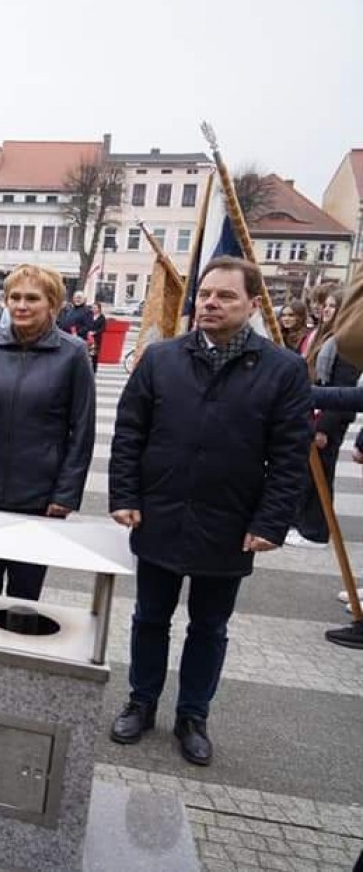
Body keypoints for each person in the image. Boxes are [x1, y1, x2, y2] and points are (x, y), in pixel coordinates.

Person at [108, 256, 310, 766]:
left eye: (225, 296)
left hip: (229, 522)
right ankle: (141, 700)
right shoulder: (161, 359)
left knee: (209, 626)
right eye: (205, 295)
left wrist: (270, 523)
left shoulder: (282, 369)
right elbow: (130, 432)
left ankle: (193, 716)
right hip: (160, 511)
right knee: (149, 616)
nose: (210, 304)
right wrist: (125, 495)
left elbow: (290, 456)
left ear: (253, 304)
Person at [0, 264, 96, 600]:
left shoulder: (73, 354)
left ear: (53, 305)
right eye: (14, 297)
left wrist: (66, 493)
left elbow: (82, 430)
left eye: (32, 298)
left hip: (39, 497)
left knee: (24, 598)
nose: (21, 305)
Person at [287, 293, 359, 549]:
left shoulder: (345, 343)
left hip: (328, 418)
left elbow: (346, 387)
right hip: (313, 410)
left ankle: (316, 530)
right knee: (305, 474)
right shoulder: (321, 336)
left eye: (334, 306)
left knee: (321, 474)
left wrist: (323, 426)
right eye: (325, 305)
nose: (327, 310)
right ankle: (300, 522)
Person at [87, 301, 108, 372]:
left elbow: (103, 328)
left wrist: (95, 332)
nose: (93, 309)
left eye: (95, 308)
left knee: (94, 356)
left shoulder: (102, 317)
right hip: (88, 337)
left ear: (99, 309)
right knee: (86, 354)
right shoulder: (89, 316)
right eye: (92, 307)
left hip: (96, 339)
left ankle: (93, 370)